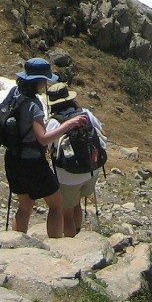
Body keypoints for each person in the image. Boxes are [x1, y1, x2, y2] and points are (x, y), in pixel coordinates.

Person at [4, 58, 89, 237]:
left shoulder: (14, 94)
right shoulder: (34, 106)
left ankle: (16, 243)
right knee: (56, 204)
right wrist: (69, 124)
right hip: (32, 161)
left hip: (12, 157)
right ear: (40, 81)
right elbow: (43, 139)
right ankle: (56, 246)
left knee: (25, 205)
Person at [45, 81, 105, 237]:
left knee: (66, 213)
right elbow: (99, 129)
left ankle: (71, 243)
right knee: (77, 202)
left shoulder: (54, 122)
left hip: (68, 174)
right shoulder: (84, 113)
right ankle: (77, 232)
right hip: (91, 170)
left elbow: (48, 145)